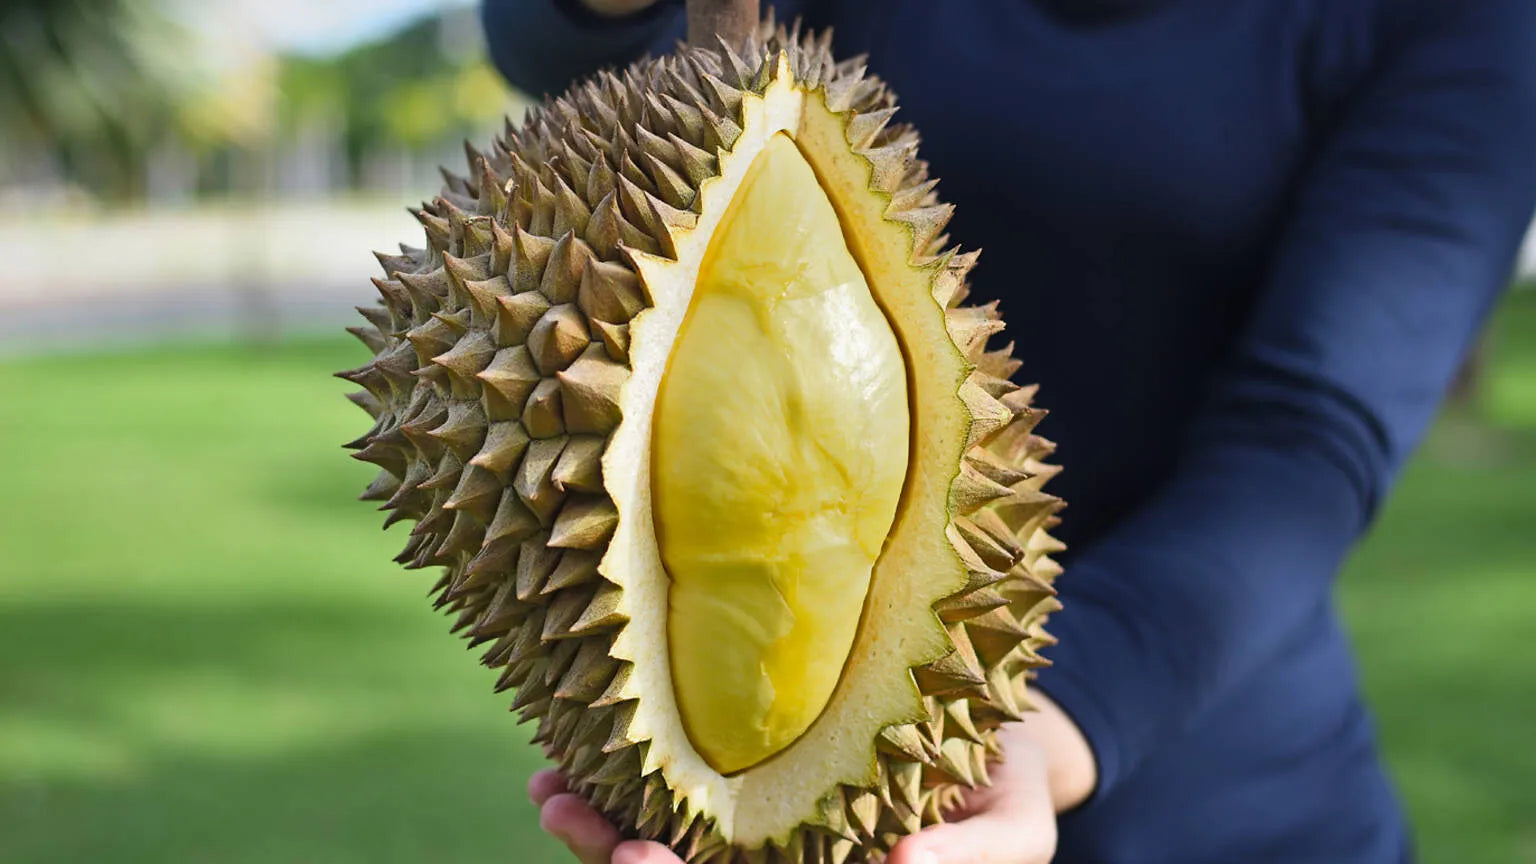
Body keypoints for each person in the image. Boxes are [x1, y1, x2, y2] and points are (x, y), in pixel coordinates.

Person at [478, 1, 1536, 862]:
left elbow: (1310, 434)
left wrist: (1043, 724)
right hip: (795, 714)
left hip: (1218, 777)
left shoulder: (1449, 20)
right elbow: (619, 66)